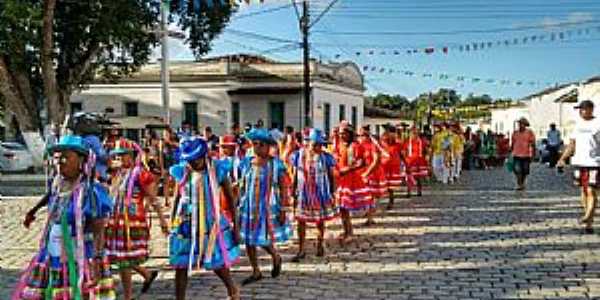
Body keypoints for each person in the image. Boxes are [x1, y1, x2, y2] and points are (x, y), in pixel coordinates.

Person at [14, 135, 115, 300]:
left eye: (66, 156)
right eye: (57, 157)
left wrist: (97, 260)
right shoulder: (58, 183)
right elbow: (50, 195)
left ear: (82, 160)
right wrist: (33, 210)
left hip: (80, 258)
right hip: (53, 254)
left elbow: (98, 229)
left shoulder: (92, 191)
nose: (60, 161)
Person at [168, 137, 241, 300]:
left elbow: (230, 200)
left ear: (205, 156)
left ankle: (232, 290)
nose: (193, 164)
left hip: (211, 224)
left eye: (196, 160)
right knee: (181, 264)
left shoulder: (218, 170)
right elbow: (177, 197)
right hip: (186, 224)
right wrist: (172, 220)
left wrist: (236, 227)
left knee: (217, 262)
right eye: (190, 160)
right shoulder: (183, 172)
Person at [103, 139, 170, 300]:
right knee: (120, 258)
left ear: (131, 155)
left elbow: (152, 198)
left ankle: (128, 295)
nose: (119, 159)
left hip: (131, 222)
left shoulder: (140, 173)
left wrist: (162, 220)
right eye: (117, 156)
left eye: (122, 156)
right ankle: (145, 275)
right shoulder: (117, 173)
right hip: (116, 221)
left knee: (124, 259)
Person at [237, 128, 291, 285]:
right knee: (248, 239)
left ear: (269, 146)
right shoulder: (247, 162)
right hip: (248, 206)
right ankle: (256, 270)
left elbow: (283, 188)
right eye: (254, 144)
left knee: (263, 238)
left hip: (267, 207)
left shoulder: (276, 164)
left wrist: (283, 209)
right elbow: (241, 184)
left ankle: (275, 255)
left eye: (261, 144)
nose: (257, 147)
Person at [289, 128, 337, 261]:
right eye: (315, 144)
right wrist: (292, 191)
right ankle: (301, 248)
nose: (318, 147)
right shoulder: (297, 156)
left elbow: (331, 176)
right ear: (308, 143)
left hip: (320, 192)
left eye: (320, 145)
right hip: (303, 192)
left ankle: (320, 243)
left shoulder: (326, 158)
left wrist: (332, 193)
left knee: (320, 220)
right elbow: (294, 175)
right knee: (300, 221)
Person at [558, 100, 600, 234]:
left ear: (590, 109)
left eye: (583, 109)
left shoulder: (598, 124)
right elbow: (572, 144)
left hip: (594, 162)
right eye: (580, 109)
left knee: (591, 191)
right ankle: (589, 222)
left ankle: (588, 216)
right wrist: (562, 158)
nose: (581, 111)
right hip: (579, 162)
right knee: (583, 190)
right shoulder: (577, 125)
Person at [334, 124, 372, 244]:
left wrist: (347, 169)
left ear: (350, 134)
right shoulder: (340, 145)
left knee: (344, 208)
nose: (341, 135)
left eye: (343, 133)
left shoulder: (355, 146)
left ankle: (348, 232)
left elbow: (361, 163)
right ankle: (347, 230)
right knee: (342, 208)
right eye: (340, 133)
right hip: (341, 180)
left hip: (351, 180)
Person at [357, 125, 385, 225]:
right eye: (359, 135)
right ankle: (369, 214)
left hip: (373, 173)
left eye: (363, 135)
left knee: (371, 196)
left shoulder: (373, 145)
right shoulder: (360, 145)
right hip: (364, 172)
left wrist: (367, 173)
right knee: (366, 195)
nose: (361, 137)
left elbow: (376, 161)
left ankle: (370, 217)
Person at [380, 125, 406, 209]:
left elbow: (402, 155)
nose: (388, 135)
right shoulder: (381, 143)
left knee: (390, 186)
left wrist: (407, 165)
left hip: (393, 167)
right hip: (383, 166)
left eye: (390, 133)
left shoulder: (398, 144)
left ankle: (391, 201)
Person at [511, 118, 536, 191]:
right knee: (517, 170)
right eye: (519, 124)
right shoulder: (515, 133)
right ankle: (519, 184)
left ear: (525, 125)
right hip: (517, 154)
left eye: (522, 124)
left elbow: (533, 144)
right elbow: (512, 143)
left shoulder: (529, 133)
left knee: (525, 171)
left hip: (526, 154)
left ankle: (522, 182)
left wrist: (533, 154)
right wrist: (510, 152)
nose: (520, 125)